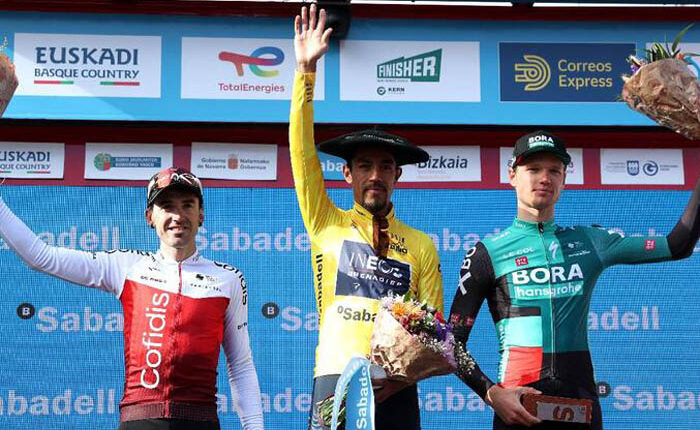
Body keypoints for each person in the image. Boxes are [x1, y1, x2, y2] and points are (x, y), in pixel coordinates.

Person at [450, 130, 700, 429]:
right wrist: (492, 394)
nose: (545, 178)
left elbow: (677, 244)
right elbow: (451, 343)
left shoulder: (590, 241)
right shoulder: (486, 253)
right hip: (517, 406)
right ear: (512, 176)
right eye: (533, 169)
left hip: (580, 402)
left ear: (564, 180)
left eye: (554, 171)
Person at [0, 167, 264, 430]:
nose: (178, 216)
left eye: (187, 205)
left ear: (201, 214)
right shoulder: (127, 266)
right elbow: (41, 256)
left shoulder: (228, 279)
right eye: (167, 206)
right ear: (150, 217)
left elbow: (240, 365)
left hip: (200, 420)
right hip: (141, 420)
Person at [291, 5, 444, 430]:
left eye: (385, 166)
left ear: (397, 175)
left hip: (396, 385)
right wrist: (305, 73)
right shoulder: (326, 222)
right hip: (334, 376)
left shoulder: (421, 244)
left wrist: (400, 379)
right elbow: (302, 154)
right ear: (347, 173)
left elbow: (435, 329)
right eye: (364, 165)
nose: (375, 175)